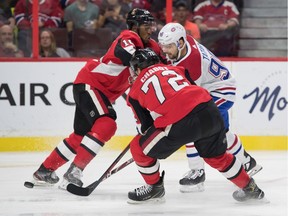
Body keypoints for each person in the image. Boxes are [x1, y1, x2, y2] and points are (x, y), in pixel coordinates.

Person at [31, 8, 162, 189]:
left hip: (96, 90)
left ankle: (44, 171)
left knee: (80, 136)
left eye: (152, 26)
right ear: (134, 26)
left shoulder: (151, 46)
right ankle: (74, 172)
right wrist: (153, 59)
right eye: (146, 26)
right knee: (106, 123)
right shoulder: (128, 37)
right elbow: (129, 57)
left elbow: (162, 73)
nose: (151, 30)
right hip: (90, 84)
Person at [126, 47, 265, 203]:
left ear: (138, 69)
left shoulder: (133, 93)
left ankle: (154, 188)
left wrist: (160, 116)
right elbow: (192, 89)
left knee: (138, 147)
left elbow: (146, 128)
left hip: (182, 123)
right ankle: (251, 188)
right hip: (210, 110)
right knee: (217, 157)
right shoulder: (176, 69)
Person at [157, 22, 262, 193]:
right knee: (223, 131)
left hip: (221, 92)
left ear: (181, 43)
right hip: (214, 86)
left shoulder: (192, 61)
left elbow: (189, 99)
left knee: (193, 125)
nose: (165, 51)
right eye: (164, 46)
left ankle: (197, 172)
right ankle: (246, 161)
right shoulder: (184, 44)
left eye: (169, 46)